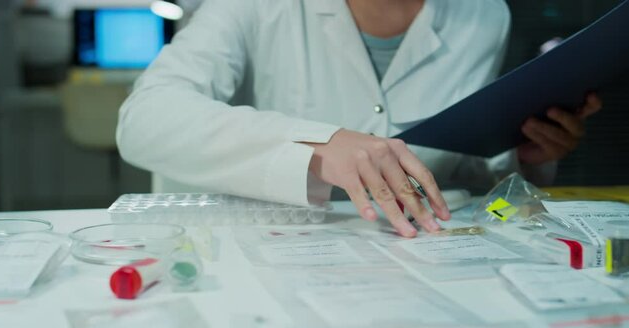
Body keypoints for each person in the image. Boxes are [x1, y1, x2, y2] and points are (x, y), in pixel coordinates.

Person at [117, 0, 602, 238]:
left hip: (420, 260)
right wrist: (317, 145)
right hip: (280, 251)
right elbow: (145, 119)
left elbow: (455, 171)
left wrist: (525, 159)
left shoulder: (482, 14)